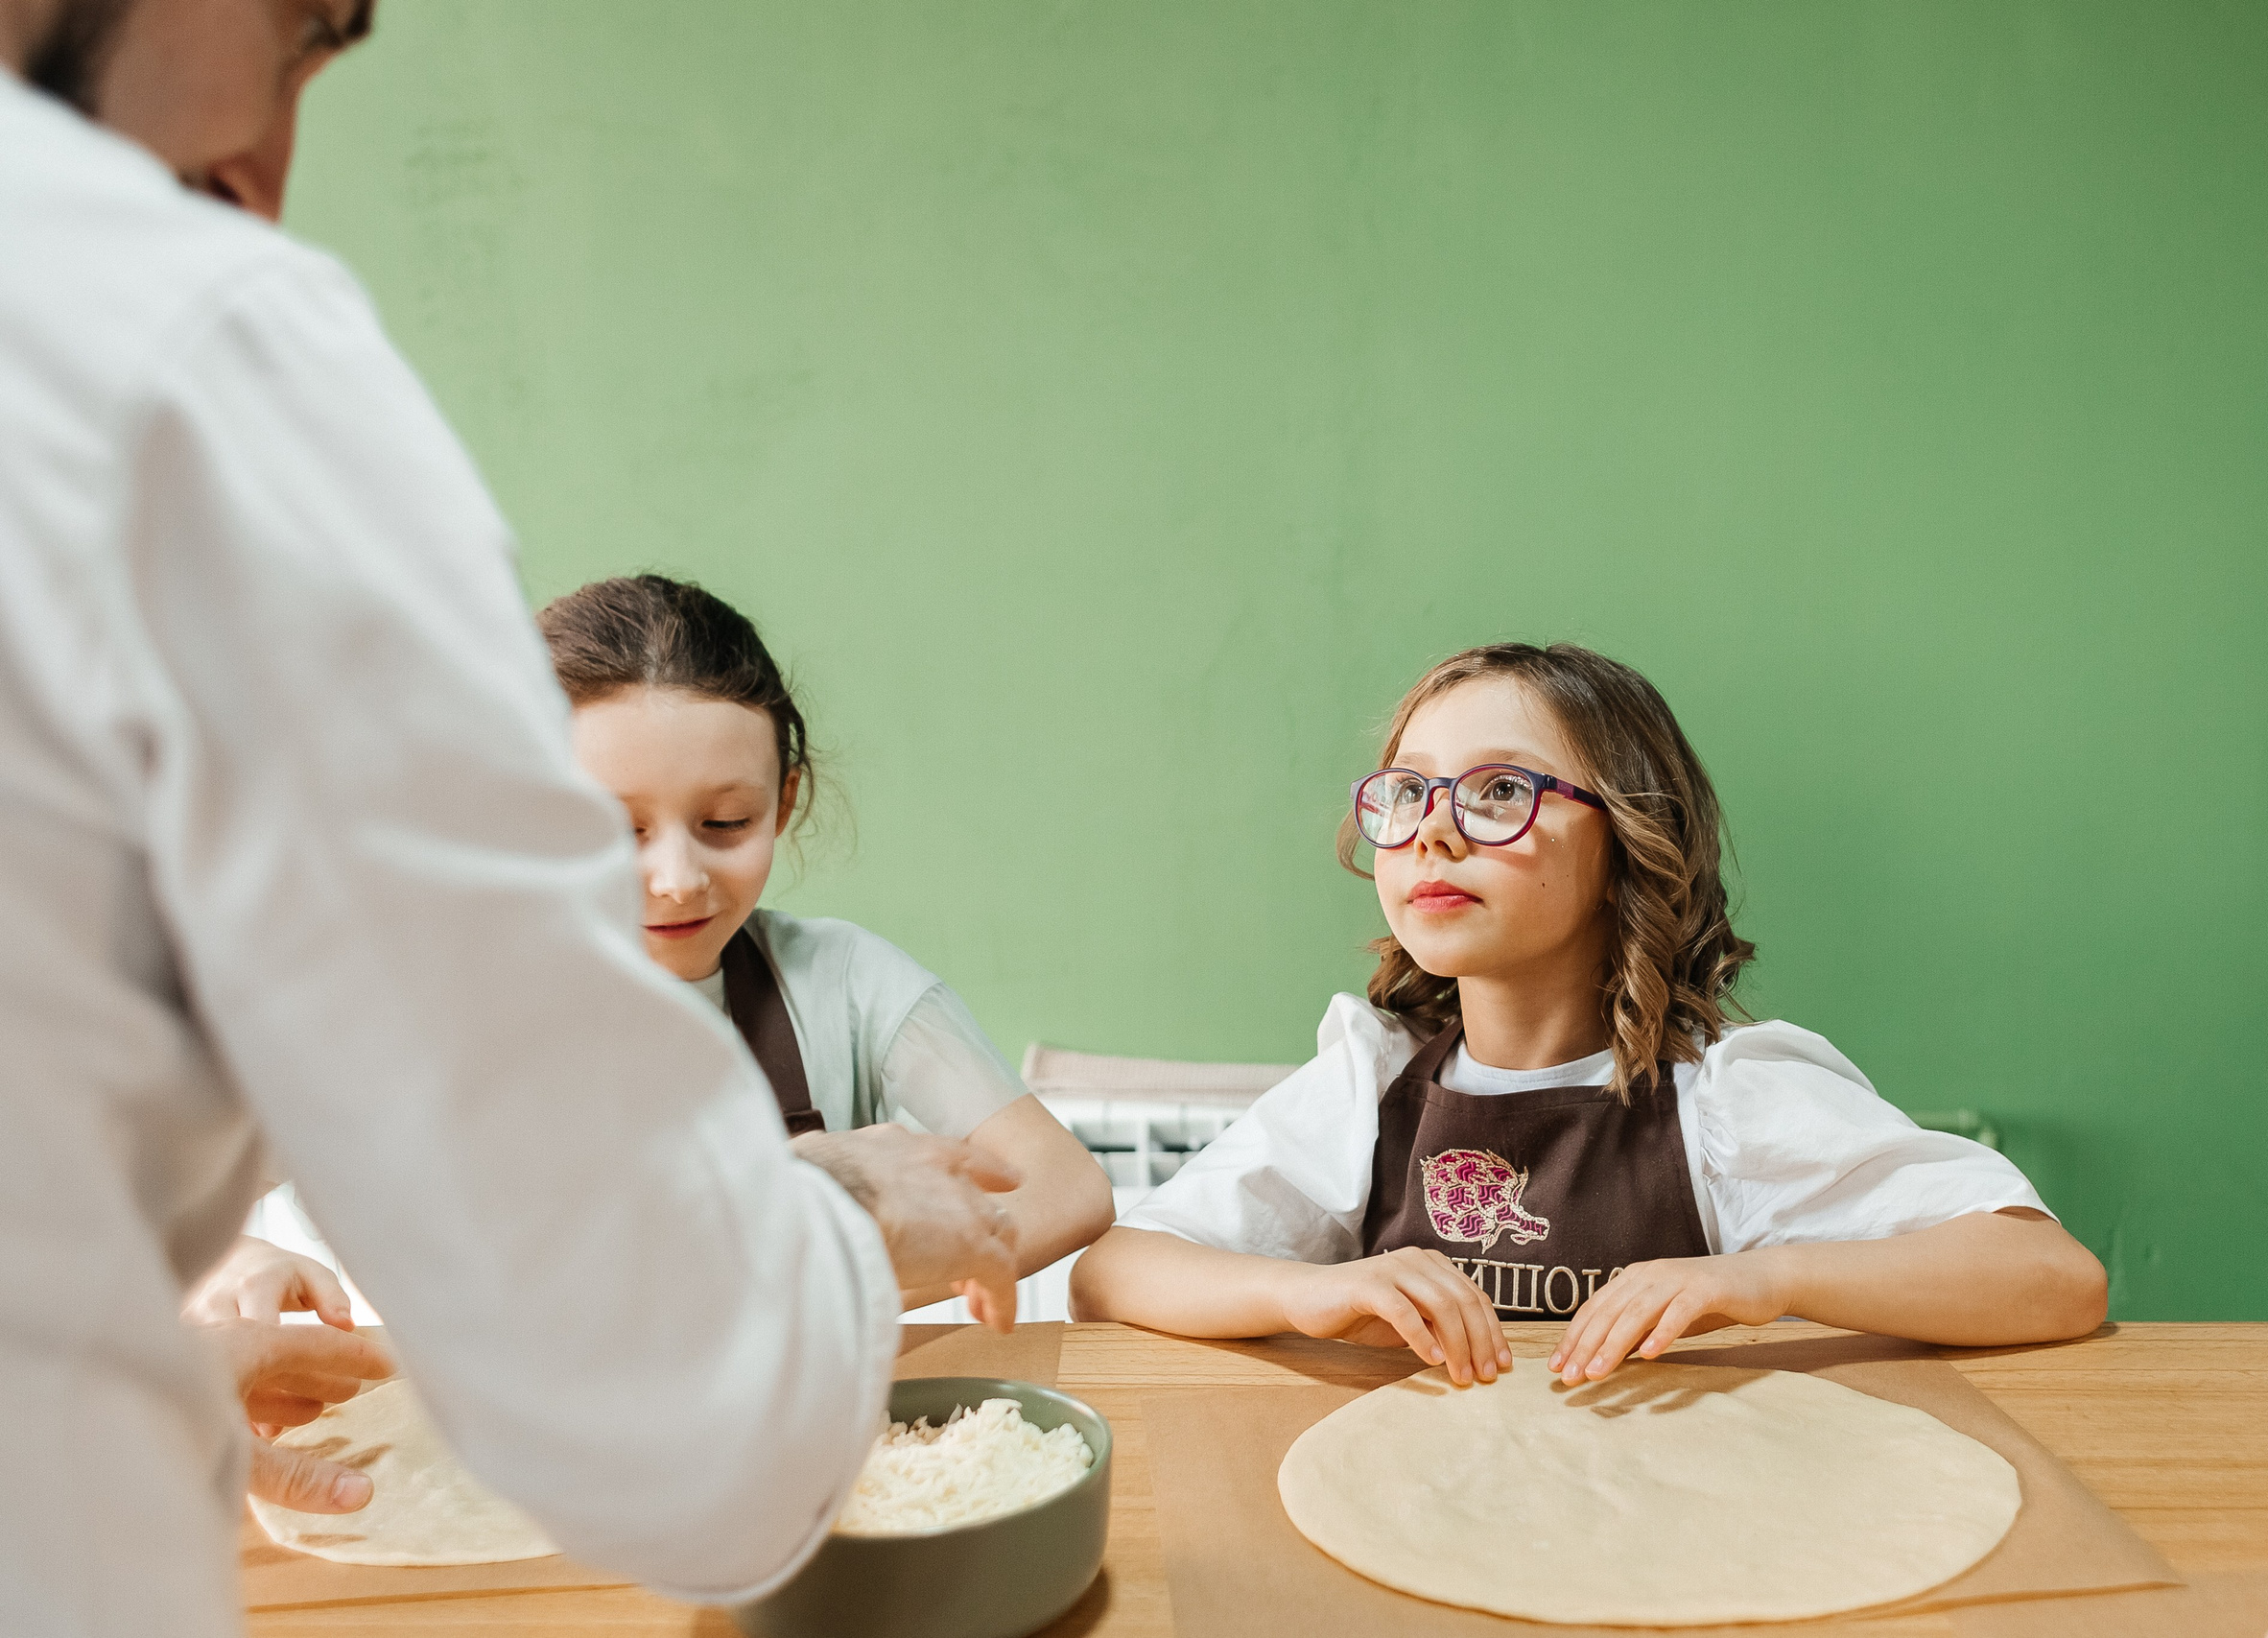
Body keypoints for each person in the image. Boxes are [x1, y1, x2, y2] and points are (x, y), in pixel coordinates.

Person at [0, 4, 1021, 1634]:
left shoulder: (849, 980)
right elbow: (683, 1409)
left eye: (727, 814)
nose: (264, 165)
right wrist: (841, 1213)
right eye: (300, 36)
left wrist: (129, 1355)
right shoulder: (192, 350)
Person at [1070, 642, 2109, 1387]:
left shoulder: (1726, 1100)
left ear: (1628, 843)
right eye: (1406, 795)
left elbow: (2051, 1277)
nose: (1431, 834)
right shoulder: (1369, 1081)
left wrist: (1765, 1278)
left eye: (1496, 793)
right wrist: (1302, 1296)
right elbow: (1115, 1271)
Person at [540, 574, 1113, 1305]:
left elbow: (1070, 1185)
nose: (678, 879)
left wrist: (878, 1271)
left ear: (783, 801)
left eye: (725, 823)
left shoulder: (846, 981)